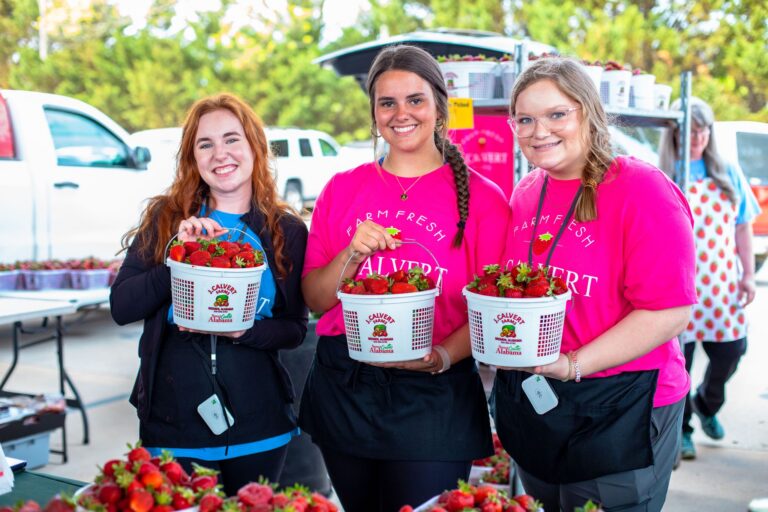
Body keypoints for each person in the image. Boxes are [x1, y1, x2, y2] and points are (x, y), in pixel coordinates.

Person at [298, 45, 510, 511]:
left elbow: (493, 310)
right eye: (386, 103)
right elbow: (315, 299)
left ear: (439, 106)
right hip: (346, 388)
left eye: (415, 99)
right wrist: (351, 255)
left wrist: (439, 357)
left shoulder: (486, 200)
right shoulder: (342, 189)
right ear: (374, 114)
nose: (401, 114)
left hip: (435, 394)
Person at [494, 57, 697, 512]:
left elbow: (668, 311)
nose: (539, 130)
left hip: (624, 402)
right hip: (542, 399)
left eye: (556, 114)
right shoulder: (528, 192)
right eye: (525, 119)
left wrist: (571, 364)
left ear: (588, 112)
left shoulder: (642, 190)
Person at [110, 93, 308, 495]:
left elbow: (294, 329)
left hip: (261, 423)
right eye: (206, 144)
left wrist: (244, 333)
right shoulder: (166, 220)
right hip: (173, 423)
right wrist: (178, 262)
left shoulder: (285, 231)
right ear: (192, 157)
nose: (221, 153)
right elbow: (122, 306)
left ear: (255, 146)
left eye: (232, 139)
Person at [659, 97, 760, 461]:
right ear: (675, 132)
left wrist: (748, 275)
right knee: (678, 363)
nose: (698, 137)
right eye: (691, 130)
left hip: (721, 285)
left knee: (732, 351)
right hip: (677, 287)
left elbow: (743, 225)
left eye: (703, 130)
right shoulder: (665, 174)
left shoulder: (725, 171)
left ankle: (707, 402)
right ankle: (684, 430)